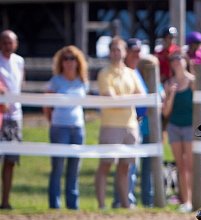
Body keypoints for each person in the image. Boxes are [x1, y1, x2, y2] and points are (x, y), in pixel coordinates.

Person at [95, 36, 144, 210]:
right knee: (106, 165)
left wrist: (122, 99)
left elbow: (141, 95)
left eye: (119, 50)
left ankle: (125, 204)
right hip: (110, 125)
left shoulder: (131, 73)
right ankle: (101, 204)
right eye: (113, 50)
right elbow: (110, 98)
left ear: (124, 52)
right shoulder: (104, 73)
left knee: (125, 167)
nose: (116, 53)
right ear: (110, 52)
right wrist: (127, 99)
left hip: (130, 125)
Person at [44, 45, 88, 210]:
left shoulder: (82, 81)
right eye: (66, 59)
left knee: (74, 167)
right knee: (58, 167)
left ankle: (72, 204)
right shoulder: (56, 81)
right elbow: (46, 105)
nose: (69, 62)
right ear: (61, 62)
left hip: (77, 127)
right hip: (60, 127)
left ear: (78, 62)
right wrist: (53, 121)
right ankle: (54, 204)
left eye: (72, 59)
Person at [162, 51, 195, 213]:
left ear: (185, 60)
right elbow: (166, 112)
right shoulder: (169, 83)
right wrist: (172, 94)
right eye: (172, 59)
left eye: (178, 58)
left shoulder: (194, 81)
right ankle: (186, 200)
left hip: (190, 126)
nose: (175, 62)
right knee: (181, 166)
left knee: (190, 165)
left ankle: (195, 199)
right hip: (174, 126)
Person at [0, 29, 24, 210]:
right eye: (5, 42)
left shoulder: (19, 62)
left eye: (11, 42)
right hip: (1, 115)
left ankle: (6, 201)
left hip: (15, 116)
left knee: (10, 161)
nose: (8, 46)